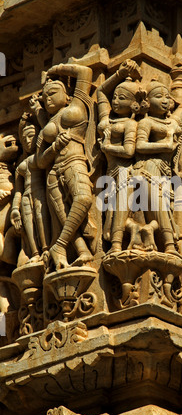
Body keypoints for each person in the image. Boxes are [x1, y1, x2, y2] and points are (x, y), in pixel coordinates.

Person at [34, 63, 95, 271]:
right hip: (53, 172)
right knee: (63, 215)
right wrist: (53, 148)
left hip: (75, 161)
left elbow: (85, 72)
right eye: (44, 97)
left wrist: (55, 70)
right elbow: (40, 161)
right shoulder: (46, 126)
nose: (48, 98)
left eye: (53, 93)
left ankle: (59, 245)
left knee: (84, 199)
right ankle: (82, 251)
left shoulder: (75, 106)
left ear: (67, 95)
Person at [134, 77, 182, 256]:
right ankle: (169, 245)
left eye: (167, 97)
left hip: (165, 172)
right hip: (150, 168)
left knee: (166, 208)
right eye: (159, 96)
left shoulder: (171, 122)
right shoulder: (146, 122)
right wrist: (165, 146)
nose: (165, 100)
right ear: (147, 102)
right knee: (159, 208)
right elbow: (140, 146)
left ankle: (150, 230)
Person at [97, 59, 143, 253]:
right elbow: (100, 92)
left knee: (120, 209)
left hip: (125, 171)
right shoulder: (107, 118)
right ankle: (125, 237)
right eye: (115, 97)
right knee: (109, 214)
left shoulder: (130, 124)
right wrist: (119, 75)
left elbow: (129, 151)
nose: (115, 101)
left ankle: (117, 246)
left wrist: (107, 147)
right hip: (110, 170)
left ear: (134, 104)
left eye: (122, 98)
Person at [10, 113, 51, 265]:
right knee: (28, 222)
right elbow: (18, 191)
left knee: (41, 218)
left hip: (40, 191)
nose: (28, 140)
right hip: (25, 196)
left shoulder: (40, 157)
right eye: (25, 138)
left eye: (32, 136)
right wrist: (15, 208)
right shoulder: (21, 165)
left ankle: (46, 249)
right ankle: (35, 252)